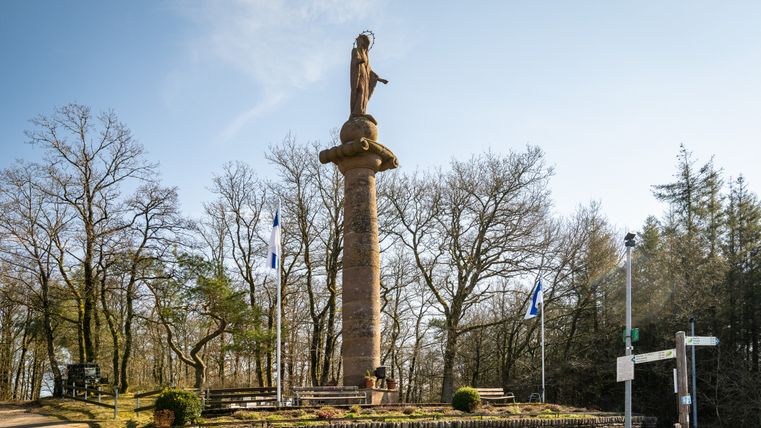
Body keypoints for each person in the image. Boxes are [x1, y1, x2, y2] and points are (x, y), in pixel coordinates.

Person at [350, 34, 388, 118]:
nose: (357, 40)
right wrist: (360, 61)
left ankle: (362, 112)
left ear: (363, 41)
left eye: (359, 39)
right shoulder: (355, 50)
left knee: (365, 94)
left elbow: (369, 70)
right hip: (359, 74)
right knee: (360, 91)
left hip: (365, 77)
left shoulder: (366, 55)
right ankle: (356, 112)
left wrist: (380, 79)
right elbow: (354, 60)